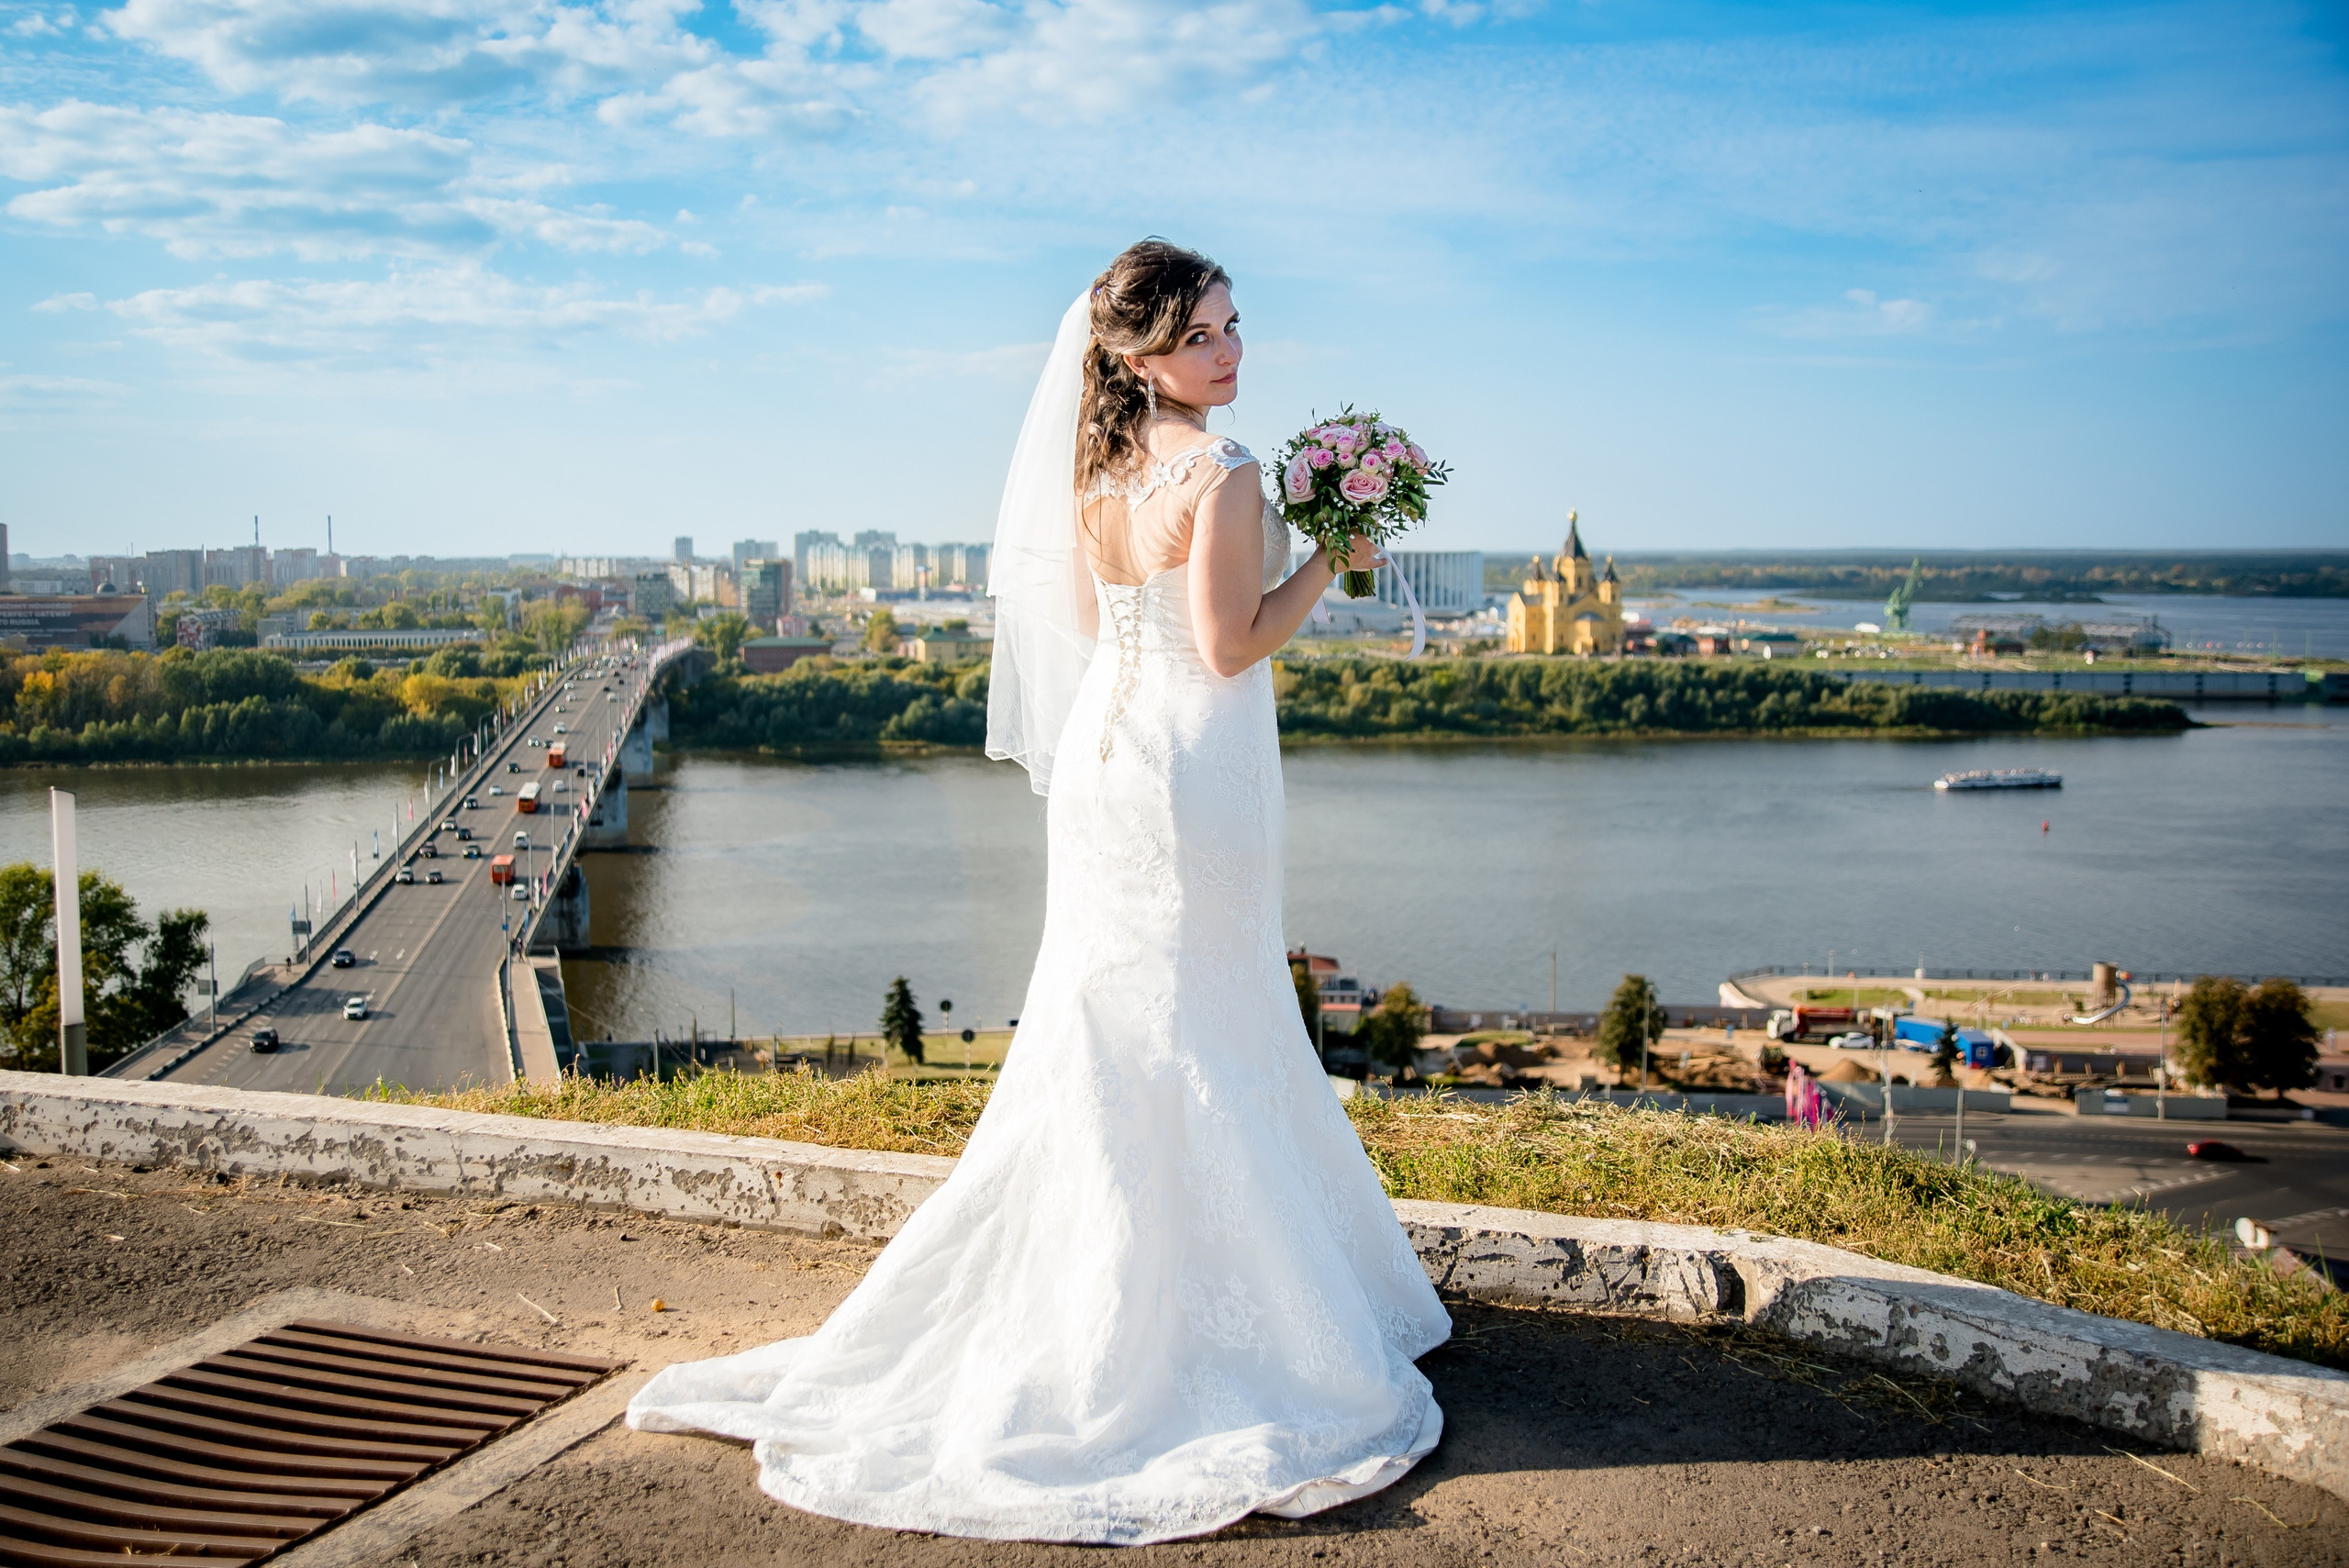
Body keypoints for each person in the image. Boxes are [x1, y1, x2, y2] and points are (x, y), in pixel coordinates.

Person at [626, 239, 1451, 1545]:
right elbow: (1233, 645)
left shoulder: (1095, 469)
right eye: (1203, 338)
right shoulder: (1226, 474)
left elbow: (1086, 619)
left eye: (1237, 326)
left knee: (1118, 1015)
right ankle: (1217, 1307)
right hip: (1201, 766)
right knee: (1212, 1007)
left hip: (1112, 763)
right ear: (1133, 355)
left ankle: (1116, 1281)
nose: (1232, 354)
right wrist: (1332, 556)